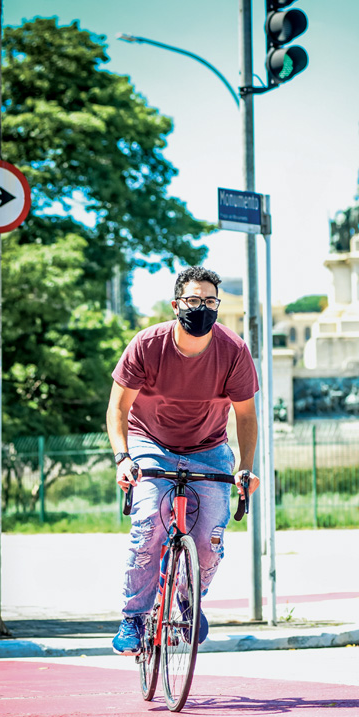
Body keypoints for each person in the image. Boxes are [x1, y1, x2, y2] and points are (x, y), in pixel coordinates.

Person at [106, 266, 260, 655]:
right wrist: (123, 458)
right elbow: (117, 408)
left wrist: (244, 468)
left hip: (209, 447)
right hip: (150, 443)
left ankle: (190, 598)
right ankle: (134, 617)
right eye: (193, 300)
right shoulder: (147, 344)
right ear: (177, 305)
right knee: (148, 527)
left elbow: (245, 416)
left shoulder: (234, 351)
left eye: (210, 301)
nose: (202, 308)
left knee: (210, 539)